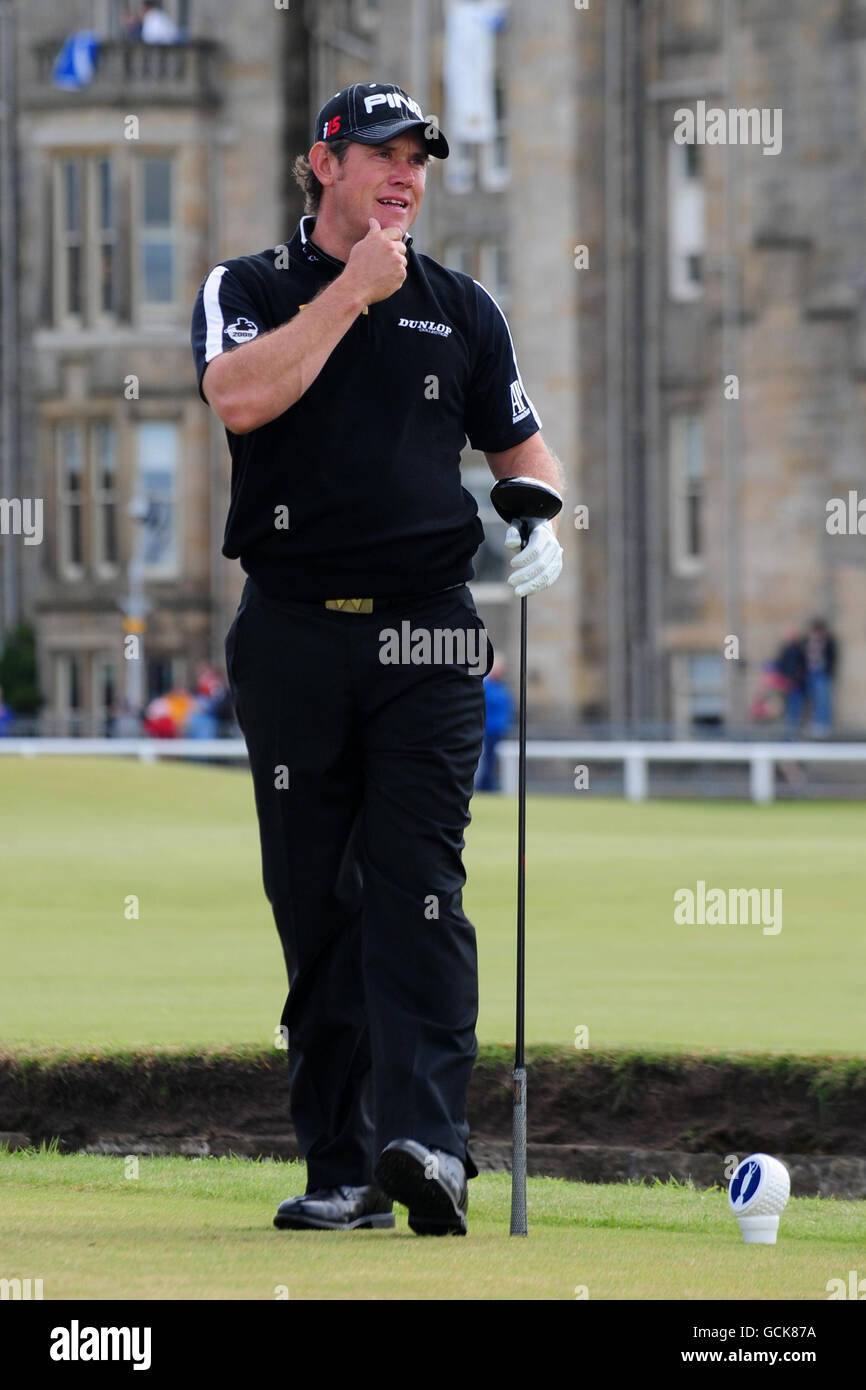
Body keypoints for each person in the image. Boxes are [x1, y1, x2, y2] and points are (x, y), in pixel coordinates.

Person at [191, 82, 564, 1236]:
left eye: (418, 160)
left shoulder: (462, 306)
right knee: (317, 901)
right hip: (295, 627)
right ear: (323, 163)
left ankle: (430, 1149)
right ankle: (342, 1166)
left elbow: (519, 445)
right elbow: (240, 400)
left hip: (428, 630)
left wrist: (535, 515)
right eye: (379, 155)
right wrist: (353, 294)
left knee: (419, 885)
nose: (403, 176)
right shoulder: (247, 288)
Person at [477, 659, 514, 791]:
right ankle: (483, 786)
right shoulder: (486, 686)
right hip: (488, 729)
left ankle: (490, 783)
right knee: (486, 760)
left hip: (500, 729)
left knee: (494, 760)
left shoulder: (502, 686)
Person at [804, 617, 837, 737]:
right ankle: (815, 723)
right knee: (813, 699)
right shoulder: (808, 641)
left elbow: (832, 657)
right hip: (810, 673)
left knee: (823, 699)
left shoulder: (828, 641)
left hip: (822, 673)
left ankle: (823, 724)